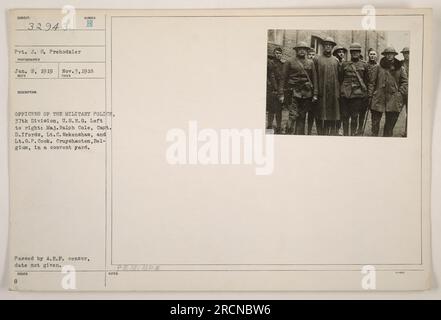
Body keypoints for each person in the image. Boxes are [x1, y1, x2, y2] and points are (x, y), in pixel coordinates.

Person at [278, 41, 318, 134]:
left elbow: (315, 79)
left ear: (306, 51)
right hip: (293, 92)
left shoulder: (310, 63)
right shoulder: (289, 62)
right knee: (292, 115)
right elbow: (283, 78)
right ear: (296, 50)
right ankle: (288, 133)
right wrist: (281, 94)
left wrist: (315, 94)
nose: (302, 51)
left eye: (304, 49)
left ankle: (299, 135)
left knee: (302, 115)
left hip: (306, 93)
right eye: (300, 49)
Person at [368, 46, 408, 137]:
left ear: (394, 55)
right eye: (387, 54)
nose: (389, 56)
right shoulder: (378, 67)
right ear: (385, 55)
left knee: (389, 126)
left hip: (393, 99)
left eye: (391, 54)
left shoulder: (400, 68)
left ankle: (386, 142)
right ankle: (374, 141)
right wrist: (370, 95)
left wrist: (399, 93)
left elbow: (405, 82)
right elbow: (372, 82)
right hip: (378, 98)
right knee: (375, 123)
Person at [339, 43, 369, 136]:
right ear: (350, 53)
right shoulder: (345, 64)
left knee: (355, 117)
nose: (354, 53)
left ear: (359, 53)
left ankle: (352, 135)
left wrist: (365, 95)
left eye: (356, 52)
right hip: (345, 95)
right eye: (353, 52)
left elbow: (366, 81)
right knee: (345, 116)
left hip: (357, 95)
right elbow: (340, 79)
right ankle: (345, 135)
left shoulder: (364, 65)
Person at [313, 36, 341, 135]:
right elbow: (314, 76)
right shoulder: (317, 59)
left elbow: (339, 77)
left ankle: (330, 133)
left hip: (333, 92)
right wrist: (316, 92)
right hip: (321, 91)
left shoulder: (336, 60)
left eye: (330, 45)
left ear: (332, 47)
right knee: (320, 113)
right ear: (323, 47)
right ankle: (321, 133)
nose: (328, 47)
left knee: (332, 113)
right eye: (326, 45)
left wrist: (338, 92)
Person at [266, 47, 284, 133]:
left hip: (279, 90)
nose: (278, 55)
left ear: (282, 54)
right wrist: (270, 85)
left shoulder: (283, 64)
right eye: (276, 53)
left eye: (280, 53)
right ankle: (269, 126)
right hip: (271, 90)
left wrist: (281, 90)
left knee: (279, 110)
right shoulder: (270, 63)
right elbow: (268, 76)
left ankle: (279, 127)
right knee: (271, 110)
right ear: (274, 54)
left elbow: (283, 78)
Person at [332, 45, 347, 135]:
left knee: (342, 110)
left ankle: (339, 128)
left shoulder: (345, 63)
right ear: (335, 53)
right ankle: (333, 128)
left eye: (342, 52)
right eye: (339, 52)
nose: (341, 54)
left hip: (343, 89)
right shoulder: (334, 62)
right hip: (334, 87)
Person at [401, 47, 410, 137]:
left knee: (409, 113)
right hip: (402, 91)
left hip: (411, 92)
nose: (406, 55)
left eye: (407, 53)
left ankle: (407, 131)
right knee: (395, 111)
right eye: (404, 53)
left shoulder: (415, 64)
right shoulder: (400, 63)